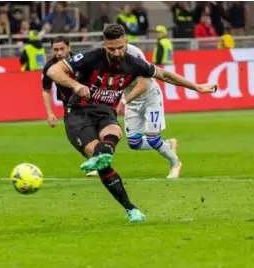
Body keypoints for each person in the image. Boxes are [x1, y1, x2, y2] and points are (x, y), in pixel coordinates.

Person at [47, 24, 217, 222]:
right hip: (78, 113)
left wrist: (196, 87)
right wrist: (76, 85)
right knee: (101, 159)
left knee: (114, 132)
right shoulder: (91, 57)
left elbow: (165, 75)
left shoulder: (134, 62)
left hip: (105, 110)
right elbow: (53, 71)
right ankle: (129, 206)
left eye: (120, 47)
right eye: (111, 49)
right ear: (104, 46)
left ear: (126, 43)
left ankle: (105, 159)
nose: (117, 52)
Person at [117, 43, 181, 179]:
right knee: (134, 143)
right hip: (132, 101)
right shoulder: (104, 57)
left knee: (153, 139)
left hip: (150, 98)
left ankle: (175, 163)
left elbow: (143, 85)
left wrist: (123, 101)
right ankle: (168, 144)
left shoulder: (134, 53)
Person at [41, 35, 98, 177]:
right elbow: (46, 91)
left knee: (96, 134)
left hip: (90, 103)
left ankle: (97, 159)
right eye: (56, 49)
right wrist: (49, 112)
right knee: (73, 136)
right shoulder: (50, 67)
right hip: (70, 106)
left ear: (69, 47)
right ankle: (94, 159)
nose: (59, 53)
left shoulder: (80, 60)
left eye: (62, 49)